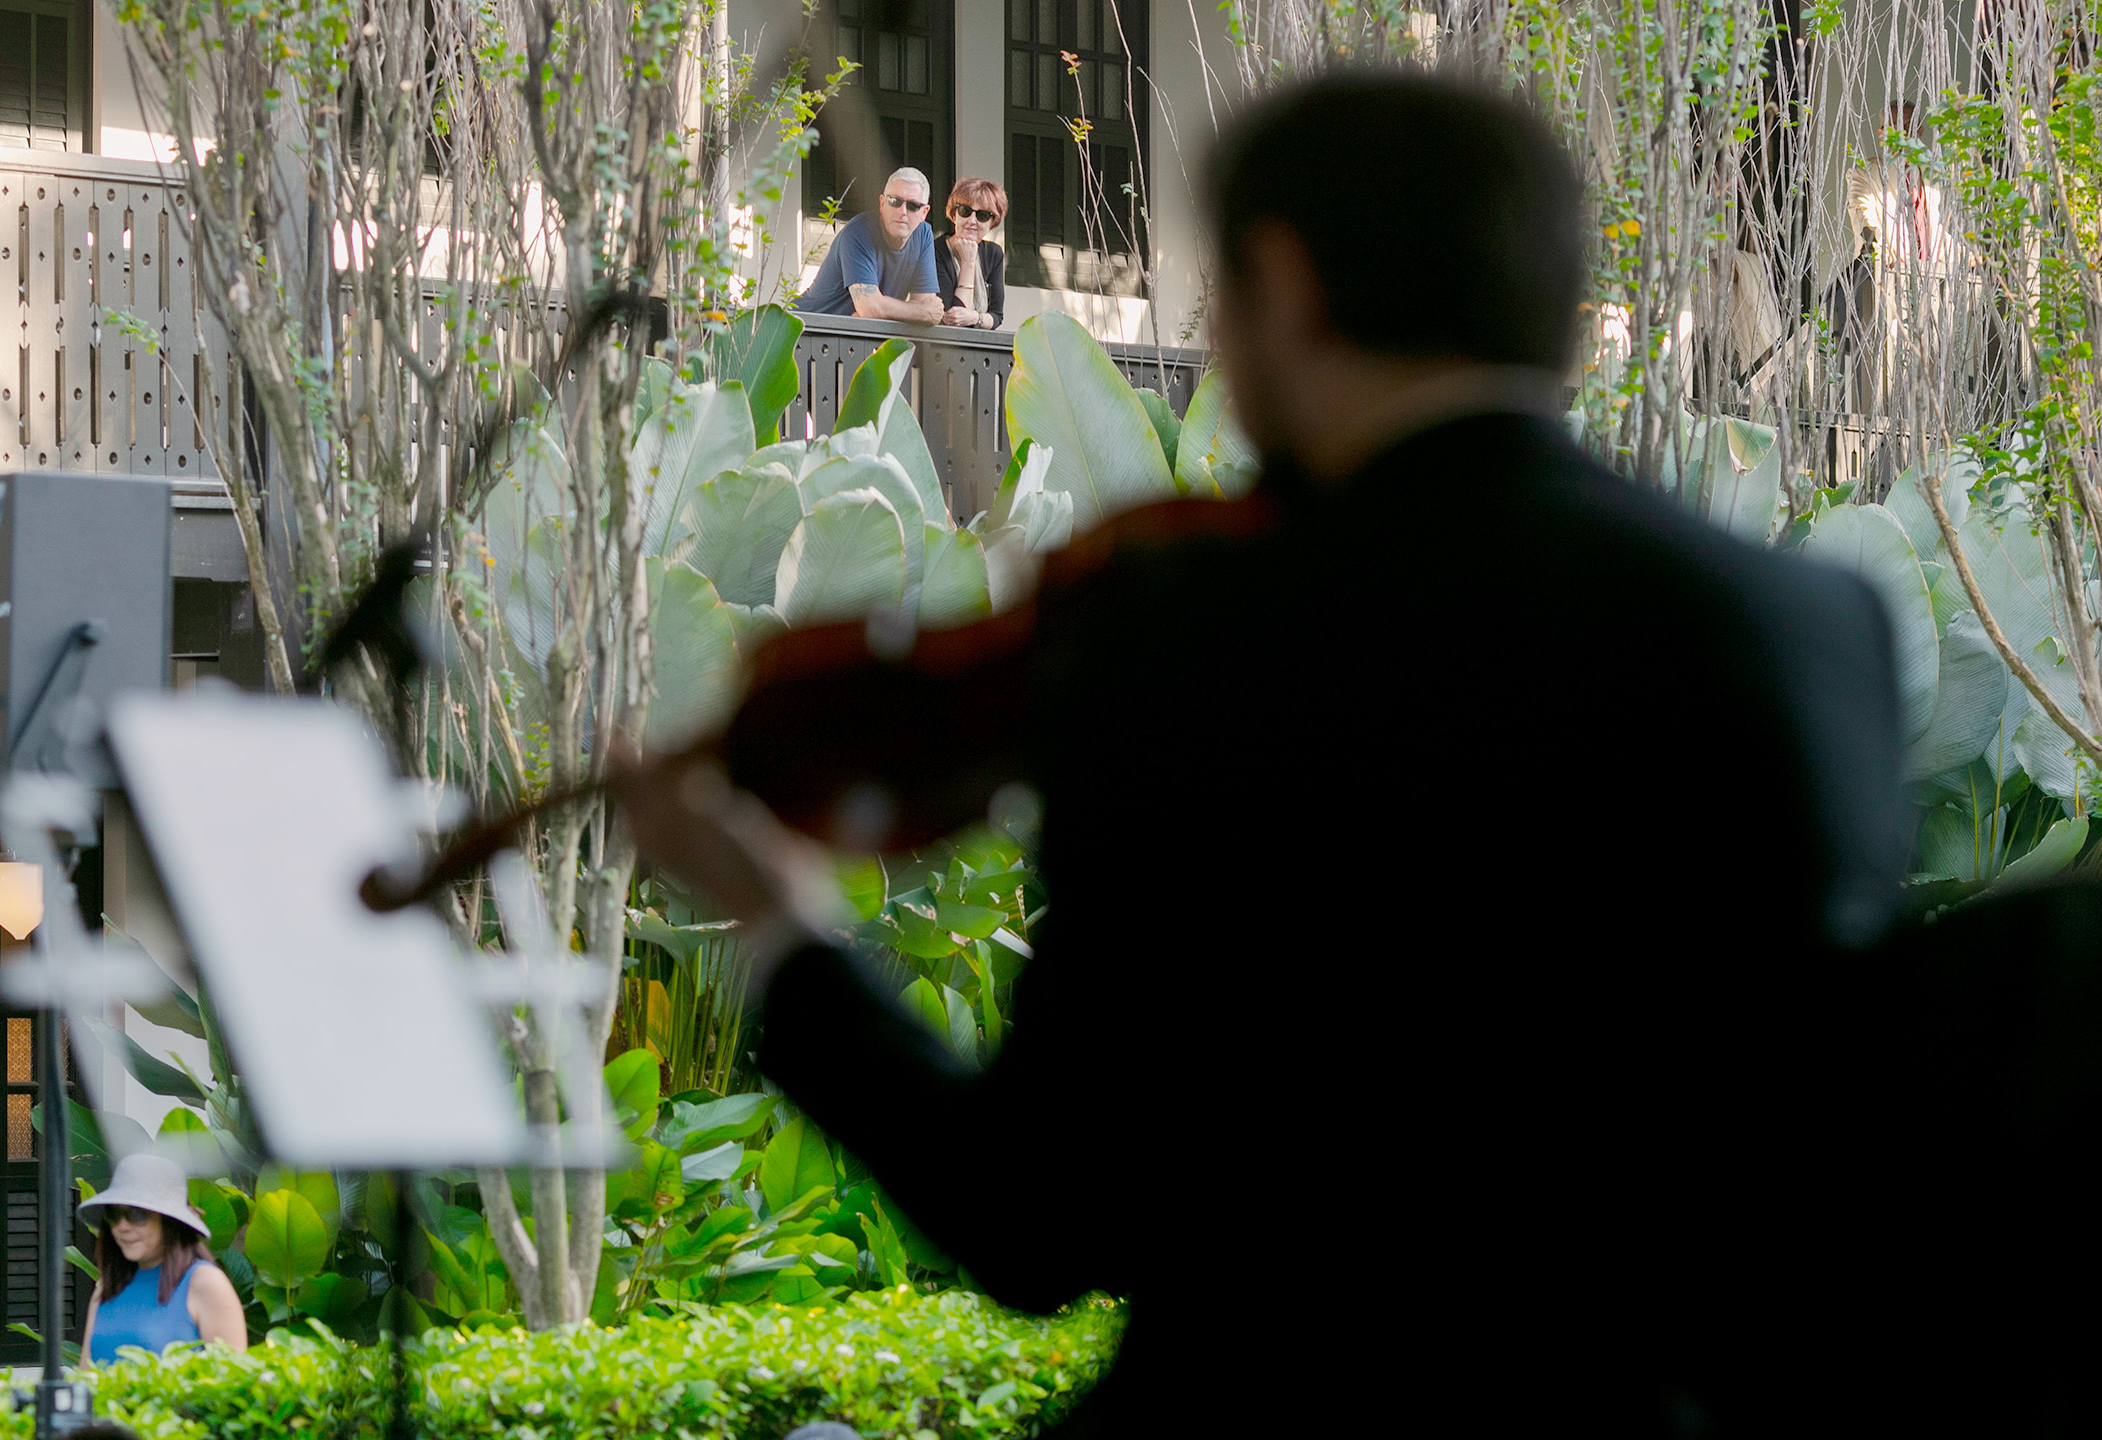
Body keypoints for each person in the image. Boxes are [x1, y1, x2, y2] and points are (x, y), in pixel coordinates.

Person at [624, 72, 1907, 1436]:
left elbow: (1032, 1219)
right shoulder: (1816, 632)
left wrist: (778, 927)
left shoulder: (1196, 637)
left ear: (1284, 284)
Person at [79, 1154, 245, 1362]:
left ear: (168, 1221)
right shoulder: (107, 1287)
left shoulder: (204, 1281)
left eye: (136, 1214)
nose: (122, 1226)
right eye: (113, 1215)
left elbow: (234, 1380)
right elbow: (85, 1376)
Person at [792, 168, 944, 323]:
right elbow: (870, 308)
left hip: (850, 337)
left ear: (924, 213)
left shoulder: (923, 235)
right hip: (803, 330)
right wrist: (920, 312)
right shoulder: (858, 232)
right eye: (894, 201)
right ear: (882, 203)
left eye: (912, 205)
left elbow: (927, 304)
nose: (902, 211)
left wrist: (882, 309)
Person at [933, 177, 1007, 329]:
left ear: (992, 223)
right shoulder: (936, 251)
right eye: (965, 211)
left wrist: (974, 317)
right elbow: (953, 318)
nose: (972, 221)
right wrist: (967, 262)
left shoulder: (993, 254)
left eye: (983, 215)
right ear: (954, 215)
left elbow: (997, 317)